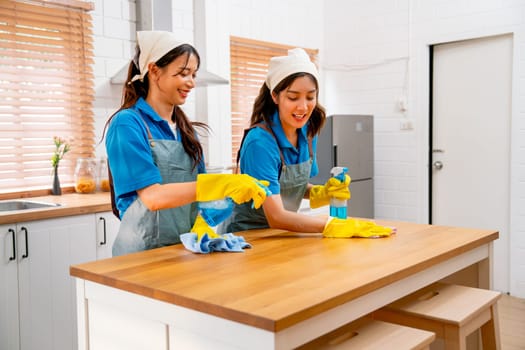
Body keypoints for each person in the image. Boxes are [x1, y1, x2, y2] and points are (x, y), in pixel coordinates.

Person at [103, 31, 268, 256]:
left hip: (181, 251)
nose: (191, 82)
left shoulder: (186, 131)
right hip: (140, 256)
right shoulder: (127, 124)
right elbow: (153, 197)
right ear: (154, 70)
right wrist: (221, 184)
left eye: (193, 74)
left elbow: (200, 195)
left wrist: (222, 201)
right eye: (183, 73)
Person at [220, 48, 393, 238]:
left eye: (310, 97)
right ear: (275, 96)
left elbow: (292, 188)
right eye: (293, 97)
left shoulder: (308, 131)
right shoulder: (260, 143)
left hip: (284, 233)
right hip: (251, 237)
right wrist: (330, 225)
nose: (303, 107)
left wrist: (322, 192)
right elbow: (276, 216)